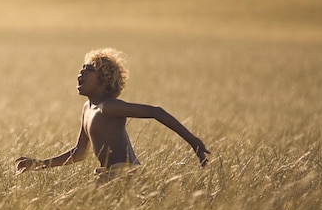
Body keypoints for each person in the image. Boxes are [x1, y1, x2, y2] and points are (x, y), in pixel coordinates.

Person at [15, 48, 209, 177]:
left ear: (104, 80)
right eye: (81, 69)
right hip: (108, 176)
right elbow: (79, 153)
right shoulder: (87, 110)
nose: (80, 73)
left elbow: (156, 112)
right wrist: (38, 164)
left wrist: (194, 142)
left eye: (88, 70)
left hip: (127, 176)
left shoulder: (108, 107)